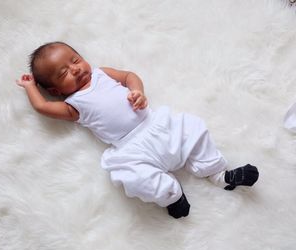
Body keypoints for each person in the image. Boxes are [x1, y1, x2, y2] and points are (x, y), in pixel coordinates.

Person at [16, 41, 259, 219]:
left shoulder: (102, 74)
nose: (75, 69)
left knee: (193, 129)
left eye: (75, 60)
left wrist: (138, 91)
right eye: (64, 73)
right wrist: (30, 87)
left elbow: (130, 76)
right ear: (57, 90)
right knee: (131, 177)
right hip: (131, 149)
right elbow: (43, 107)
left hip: (157, 126)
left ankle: (220, 175)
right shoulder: (73, 106)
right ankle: (170, 195)